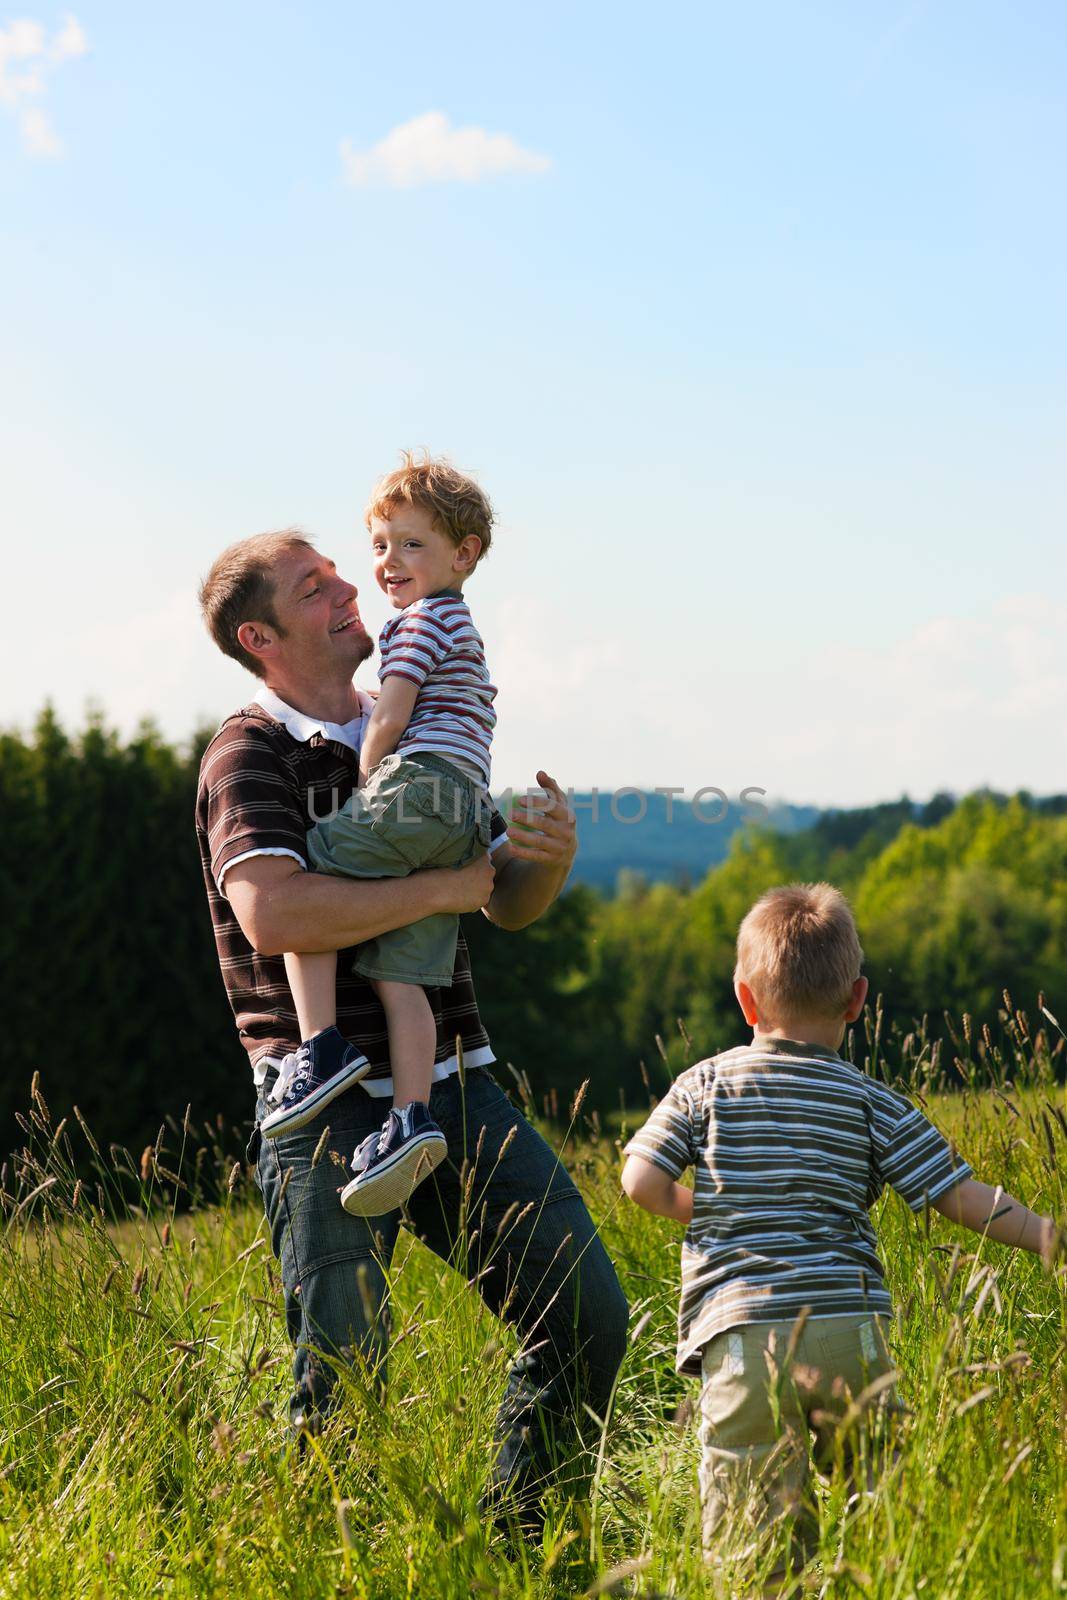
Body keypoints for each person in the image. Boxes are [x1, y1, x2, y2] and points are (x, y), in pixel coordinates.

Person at [194, 523, 627, 1528]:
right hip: (328, 1106)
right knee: (341, 1388)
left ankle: (524, 1552)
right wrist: (442, 881)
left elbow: (499, 900)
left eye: (336, 571)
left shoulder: (424, 720)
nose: (347, 586)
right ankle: (338, 1571)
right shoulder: (246, 753)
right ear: (261, 637)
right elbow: (275, 914)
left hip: (455, 1086)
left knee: (584, 1316)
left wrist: (546, 859)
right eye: (312, 588)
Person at [620, 883, 1053, 1590]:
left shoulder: (703, 1084)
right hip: (846, 1326)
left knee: (749, 1540)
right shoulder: (868, 1099)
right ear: (856, 1000)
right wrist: (1046, 1235)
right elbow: (961, 1198)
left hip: (739, 1338)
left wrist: (701, 1211)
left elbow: (638, 1180)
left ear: (744, 999)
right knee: (879, 1503)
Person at [266, 456, 500, 1221]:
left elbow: (392, 714)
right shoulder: (459, 622)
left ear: (462, 555)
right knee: (405, 973)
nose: (387, 564)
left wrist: (370, 778)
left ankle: (319, 1050)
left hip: (420, 783)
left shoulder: (418, 622)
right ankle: (409, 1117)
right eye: (380, 545)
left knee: (317, 872)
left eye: (410, 545)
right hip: (462, 802)